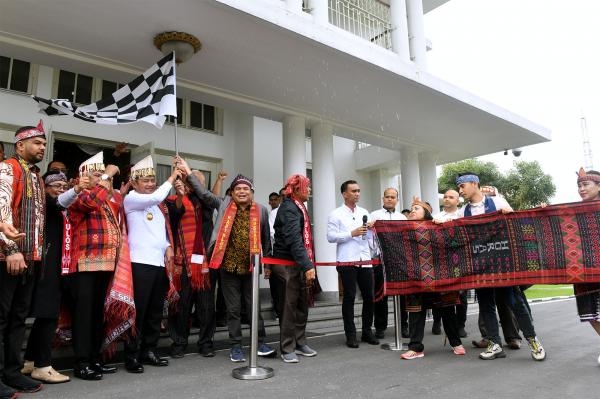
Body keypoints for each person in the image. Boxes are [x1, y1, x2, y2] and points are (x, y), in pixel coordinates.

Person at [185, 164, 276, 362]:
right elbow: (203, 192)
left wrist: (267, 264)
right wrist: (187, 171)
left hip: (251, 268)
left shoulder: (261, 210)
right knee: (233, 310)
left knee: (254, 308)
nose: (242, 192)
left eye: (246, 189)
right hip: (227, 267)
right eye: (238, 189)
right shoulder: (224, 205)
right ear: (232, 193)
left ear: (251, 192)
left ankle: (260, 342)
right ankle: (235, 346)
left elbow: (266, 239)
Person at [456, 171, 545, 361]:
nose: (460, 190)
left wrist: (509, 214)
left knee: (515, 302)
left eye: (462, 186)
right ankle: (494, 343)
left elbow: (515, 225)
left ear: (473, 183)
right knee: (486, 304)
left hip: (502, 263)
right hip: (480, 265)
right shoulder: (462, 211)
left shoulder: (497, 202)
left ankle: (532, 340)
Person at [22, 171, 90, 384]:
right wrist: (76, 189)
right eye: (56, 185)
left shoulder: (65, 209)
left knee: (46, 316)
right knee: (48, 315)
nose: (60, 188)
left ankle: (30, 361)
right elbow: (59, 202)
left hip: (61, 268)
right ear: (45, 188)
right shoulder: (46, 204)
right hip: (46, 267)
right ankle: (43, 366)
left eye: (64, 185)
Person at [66, 152, 124, 380]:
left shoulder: (104, 199)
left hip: (105, 264)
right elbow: (91, 203)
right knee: (83, 315)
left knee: (97, 315)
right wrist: (109, 174)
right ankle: (81, 362)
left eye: (102, 175)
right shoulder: (76, 195)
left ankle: (94, 358)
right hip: (84, 264)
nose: (102, 179)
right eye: (97, 175)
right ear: (82, 176)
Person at [0, 121, 47, 396]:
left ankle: (12, 373)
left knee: (18, 318)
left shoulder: (37, 176)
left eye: (43, 143)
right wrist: (9, 249)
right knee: (2, 318)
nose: (42, 147)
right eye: (37, 143)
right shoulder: (8, 167)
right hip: (9, 256)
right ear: (20, 145)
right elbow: (2, 207)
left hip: (30, 258)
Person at [122, 156, 181, 373]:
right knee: (139, 311)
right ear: (134, 183)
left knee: (156, 311)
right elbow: (157, 194)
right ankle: (131, 355)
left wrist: (167, 246)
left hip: (158, 264)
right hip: (140, 263)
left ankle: (149, 349)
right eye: (145, 180)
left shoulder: (156, 205)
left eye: (151, 180)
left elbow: (159, 232)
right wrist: (173, 177)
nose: (150, 184)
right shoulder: (131, 199)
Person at [400, 198, 465, 360]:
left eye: (417, 208)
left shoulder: (438, 226)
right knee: (415, 313)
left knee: (447, 310)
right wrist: (375, 227)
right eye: (411, 208)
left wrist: (443, 224)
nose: (412, 210)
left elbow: (453, 240)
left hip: (439, 276)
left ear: (426, 213)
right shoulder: (403, 230)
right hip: (415, 277)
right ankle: (416, 348)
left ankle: (456, 343)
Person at [166, 169, 220, 358]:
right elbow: (175, 215)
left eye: (200, 182)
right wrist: (180, 195)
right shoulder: (173, 201)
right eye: (193, 180)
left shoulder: (205, 202)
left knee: (206, 307)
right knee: (181, 306)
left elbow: (211, 198)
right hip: (182, 263)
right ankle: (179, 342)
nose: (197, 184)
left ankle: (206, 342)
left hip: (205, 263)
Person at [270, 174, 317, 363]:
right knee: (288, 308)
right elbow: (294, 240)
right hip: (286, 265)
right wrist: (307, 265)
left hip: (298, 264)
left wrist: (306, 264)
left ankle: (300, 342)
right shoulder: (289, 208)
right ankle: (287, 347)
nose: (310, 190)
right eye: (308, 187)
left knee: (301, 306)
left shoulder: (299, 207)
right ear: (297, 190)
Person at [327, 180, 378, 348]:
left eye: (359, 191)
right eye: (354, 191)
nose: (357, 194)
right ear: (344, 194)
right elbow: (331, 237)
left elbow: (370, 238)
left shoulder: (364, 212)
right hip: (347, 260)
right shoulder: (336, 214)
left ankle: (367, 331)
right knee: (349, 297)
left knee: (369, 297)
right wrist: (351, 233)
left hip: (365, 259)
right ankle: (350, 334)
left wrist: (371, 230)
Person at [369, 188, 408, 339]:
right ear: (383, 198)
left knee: (402, 295)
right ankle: (380, 327)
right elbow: (369, 237)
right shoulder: (374, 215)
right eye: (387, 197)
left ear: (397, 199)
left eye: (393, 197)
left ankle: (404, 326)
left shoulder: (402, 218)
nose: (390, 199)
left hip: (399, 260)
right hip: (380, 261)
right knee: (380, 295)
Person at [431, 189, 468, 338]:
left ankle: (460, 325)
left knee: (462, 294)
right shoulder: (436, 216)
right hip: (441, 260)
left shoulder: (463, 215)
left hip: (460, 259)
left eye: (451, 197)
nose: (446, 199)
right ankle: (436, 321)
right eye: (445, 197)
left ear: (457, 201)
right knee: (439, 293)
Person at [574, 168, 600, 365]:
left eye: (585, 184)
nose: (581, 189)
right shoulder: (572, 211)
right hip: (584, 270)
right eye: (579, 185)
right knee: (590, 314)